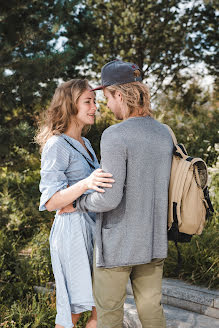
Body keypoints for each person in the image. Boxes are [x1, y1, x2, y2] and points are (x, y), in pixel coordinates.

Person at [62, 60, 173, 328]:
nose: (106, 106)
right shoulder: (164, 133)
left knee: (109, 316)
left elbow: (109, 198)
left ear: (119, 95)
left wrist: (78, 202)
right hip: (154, 242)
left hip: (117, 246)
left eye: (107, 97)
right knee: (152, 313)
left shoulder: (115, 135)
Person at [36, 79, 115, 328]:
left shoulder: (87, 144)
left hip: (91, 229)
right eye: (88, 102)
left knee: (97, 308)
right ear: (70, 106)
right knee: (74, 311)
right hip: (71, 233)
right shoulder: (56, 144)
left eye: (95, 102)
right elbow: (50, 202)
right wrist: (86, 183)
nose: (94, 107)